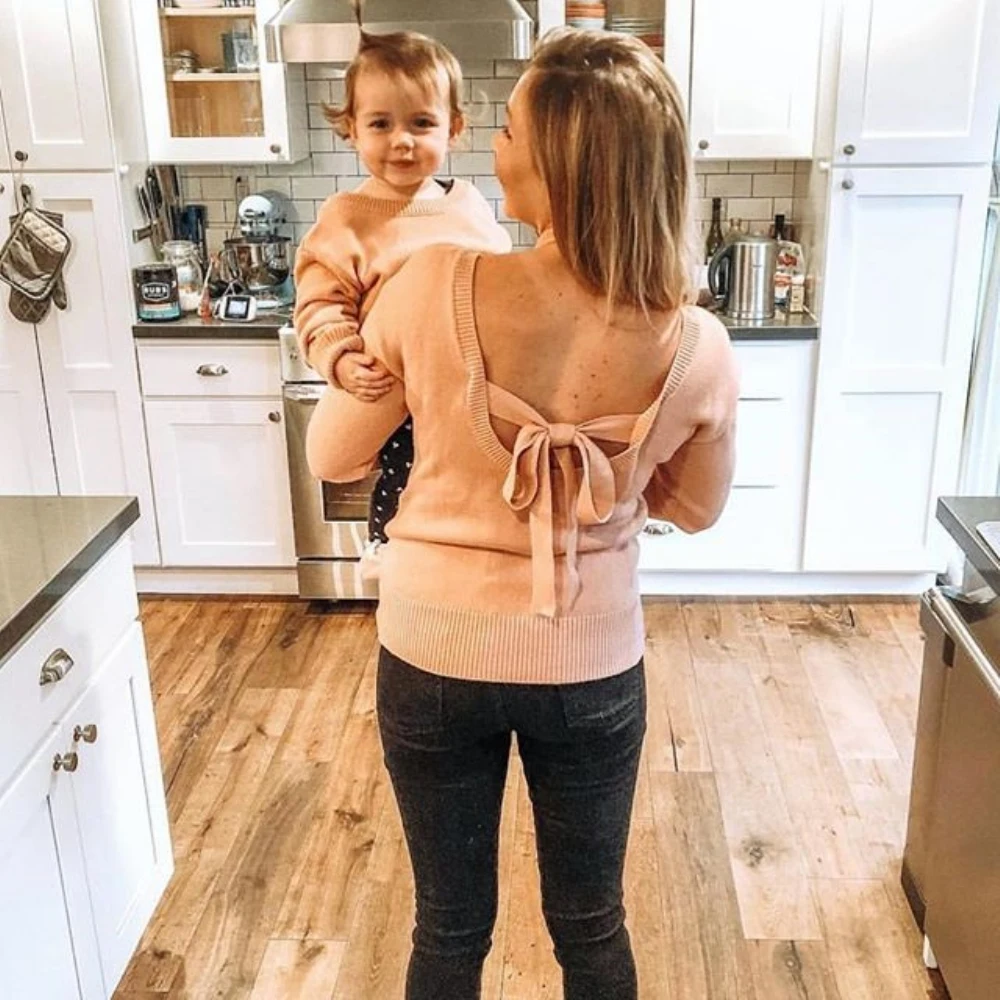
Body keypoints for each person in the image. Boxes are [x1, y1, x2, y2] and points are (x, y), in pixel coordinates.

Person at [307, 28, 740, 1000]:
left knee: (448, 925)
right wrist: (614, 465)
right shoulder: (696, 343)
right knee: (591, 926)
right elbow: (698, 508)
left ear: (552, 163)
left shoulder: (431, 284)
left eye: (504, 129)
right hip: (588, 660)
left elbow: (332, 454)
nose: (491, 148)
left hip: (432, 649)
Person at [293, 11, 510, 565]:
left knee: (472, 507)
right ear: (351, 129)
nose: (402, 141)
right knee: (407, 507)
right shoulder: (345, 218)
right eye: (380, 124)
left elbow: (500, 282)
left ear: (454, 128)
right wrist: (342, 357)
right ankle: (397, 572)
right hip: (396, 397)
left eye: (421, 123)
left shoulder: (469, 203)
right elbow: (319, 304)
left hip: (474, 394)